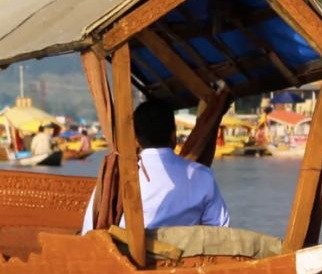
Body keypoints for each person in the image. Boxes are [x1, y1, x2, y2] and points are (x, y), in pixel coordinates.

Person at [81, 100, 230, 234]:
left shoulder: (118, 178)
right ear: (174, 135)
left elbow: (88, 230)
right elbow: (221, 232)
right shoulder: (203, 176)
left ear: (136, 140)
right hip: (186, 262)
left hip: (126, 261)